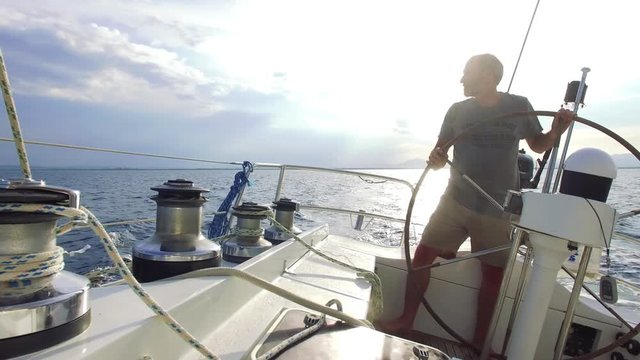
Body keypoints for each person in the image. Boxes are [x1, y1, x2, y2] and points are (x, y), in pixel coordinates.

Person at [376, 54, 574, 350]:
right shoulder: (457, 111)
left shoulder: (518, 106)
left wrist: (557, 131)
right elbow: (439, 155)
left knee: (493, 277)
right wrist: (436, 159)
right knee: (422, 257)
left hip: (498, 208)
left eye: (467, 72)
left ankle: (481, 343)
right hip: (455, 200)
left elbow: (538, 144)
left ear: (489, 75)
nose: (461, 79)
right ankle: (406, 320)